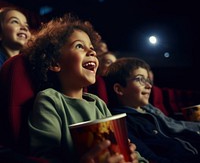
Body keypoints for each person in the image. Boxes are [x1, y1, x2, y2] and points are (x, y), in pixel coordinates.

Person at [22, 14, 147, 163]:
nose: (92, 52)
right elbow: (45, 156)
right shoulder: (50, 100)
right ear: (55, 63)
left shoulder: (98, 103)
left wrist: (131, 157)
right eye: (79, 46)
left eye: (92, 48)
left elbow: (120, 145)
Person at [105, 57, 200, 163]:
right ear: (119, 89)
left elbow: (176, 128)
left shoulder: (149, 110)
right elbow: (151, 159)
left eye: (147, 80)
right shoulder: (123, 123)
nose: (149, 86)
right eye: (139, 79)